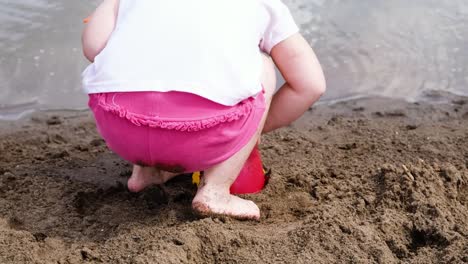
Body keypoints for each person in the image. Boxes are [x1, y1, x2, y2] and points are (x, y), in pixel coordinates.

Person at [81, 0, 325, 221]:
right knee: (262, 66)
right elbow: (310, 85)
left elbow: (93, 48)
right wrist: (252, 130)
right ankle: (216, 191)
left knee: (152, 56)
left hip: (119, 128)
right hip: (203, 134)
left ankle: (147, 172)